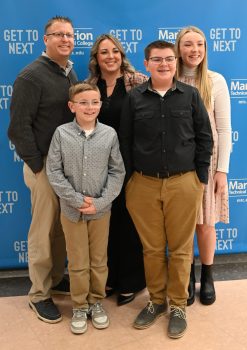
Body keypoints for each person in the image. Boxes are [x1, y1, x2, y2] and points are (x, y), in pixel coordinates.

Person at [119, 40, 213, 339]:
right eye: (156, 60)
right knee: (152, 248)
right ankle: (157, 301)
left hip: (184, 183)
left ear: (176, 62)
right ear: (146, 64)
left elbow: (204, 138)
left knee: (182, 248)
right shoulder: (134, 98)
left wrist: (198, 178)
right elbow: (125, 142)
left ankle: (178, 306)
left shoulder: (191, 95)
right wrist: (131, 180)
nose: (163, 64)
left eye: (169, 59)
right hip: (143, 184)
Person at [8, 16, 78, 323]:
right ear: (45, 39)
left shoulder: (69, 72)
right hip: (44, 168)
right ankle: (39, 294)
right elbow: (18, 129)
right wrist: (37, 167)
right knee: (42, 232)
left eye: (69, 35)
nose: (65, 39)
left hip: (68, 167)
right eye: (58, 35)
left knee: (62, 230)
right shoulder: (31, 77)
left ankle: (54, 279)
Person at [46, 82, 125, 334]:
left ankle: (96, 302)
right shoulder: (61, 133)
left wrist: (100, 202)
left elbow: (117, 172)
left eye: (94, 102)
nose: (89, 107)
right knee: (78, 261)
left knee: (99, 261)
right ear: (72, 106)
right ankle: (79, 305)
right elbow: (54, 172)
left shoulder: (109, 135)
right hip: (72, 210)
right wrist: (77, 200)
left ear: (100, 105)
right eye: (83, 103)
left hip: (101, 211)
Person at [86, 34, 147, 305]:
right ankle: (108, 279)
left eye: (115, 51)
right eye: (104, 52)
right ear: (96, 58)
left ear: (122, 55)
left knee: (130, 223)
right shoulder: (88, 86)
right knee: (103, 225)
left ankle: (131, 282)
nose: (110, 56)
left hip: (131, 165)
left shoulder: (139, 81)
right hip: (98, 169)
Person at [175, 26, 232, 306]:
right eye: (188, 44)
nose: (194, 49)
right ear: (179, 48)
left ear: (206, 48)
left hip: (208, 164)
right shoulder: (169, 78)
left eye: (199, 44)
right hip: (177, 163)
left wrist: (222, 170)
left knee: (206, 225)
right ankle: (186, 276)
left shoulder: (215, 80)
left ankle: (207, 276)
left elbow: (223, 129)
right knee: (183, 226)